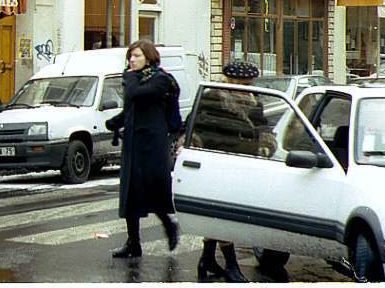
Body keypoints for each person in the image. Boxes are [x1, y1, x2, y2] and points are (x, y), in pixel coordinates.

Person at [195, 60, 273, 282]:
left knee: (220, 214)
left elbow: (262, 125)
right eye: (244, 82)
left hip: (243, 163)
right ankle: (231, 265)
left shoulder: (253, 99)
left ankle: (207, 258)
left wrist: (266, 143)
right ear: (231, 80)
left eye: (250, 83)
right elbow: (203, 129)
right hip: (219, 163)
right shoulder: (214, 98)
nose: (248, 86)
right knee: (223, 214)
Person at [105, 39, 179, 258]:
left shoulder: (160, 79)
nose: (132, 60)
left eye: (137, 56)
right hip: (133, 141)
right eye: (130, 56)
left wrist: (128, 77)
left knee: (152, 188)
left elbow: (138, 94)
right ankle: (133, 243)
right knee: (131, 193)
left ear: (149, 57)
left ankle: (169, 225)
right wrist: (116, 122)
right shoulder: (135, 80)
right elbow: (132, 108)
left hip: (153, 143)